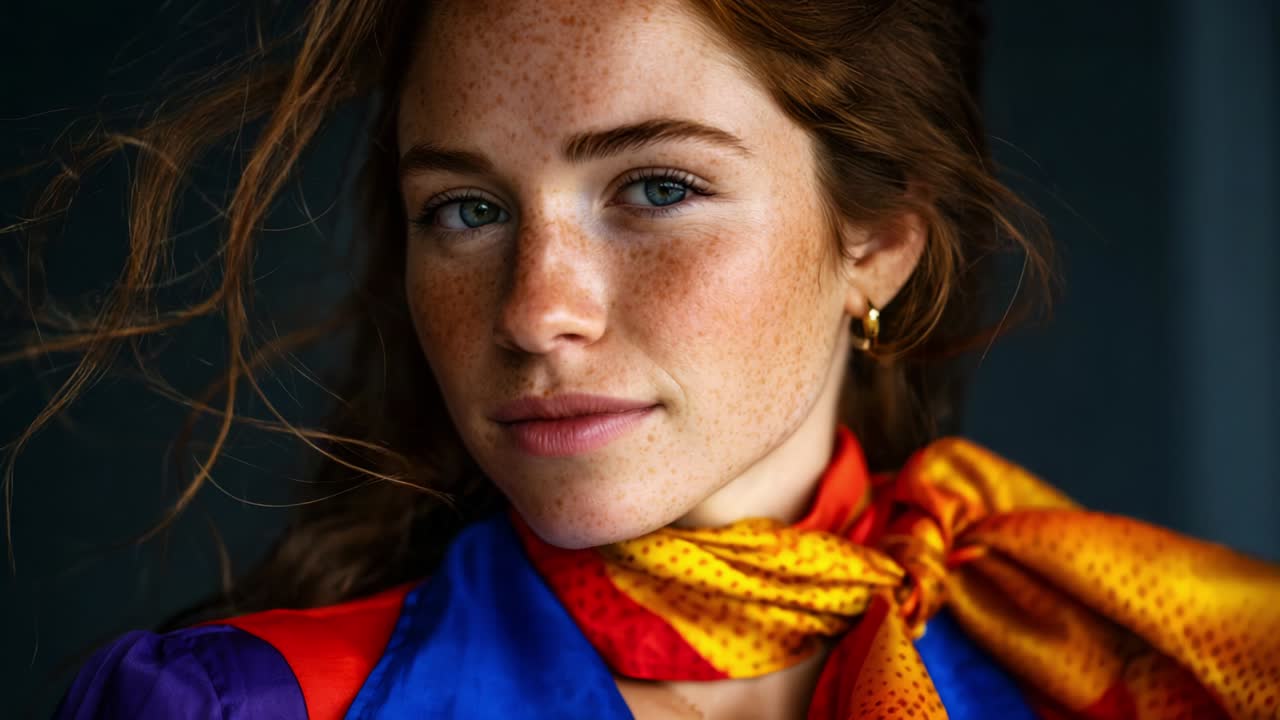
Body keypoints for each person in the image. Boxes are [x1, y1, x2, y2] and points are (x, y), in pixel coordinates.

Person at [24, 0, 1277, 718]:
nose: (533, 312)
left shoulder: (1125, 672)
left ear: (877, 246)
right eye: (465, 209)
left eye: (657, 187)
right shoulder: (248, 712)